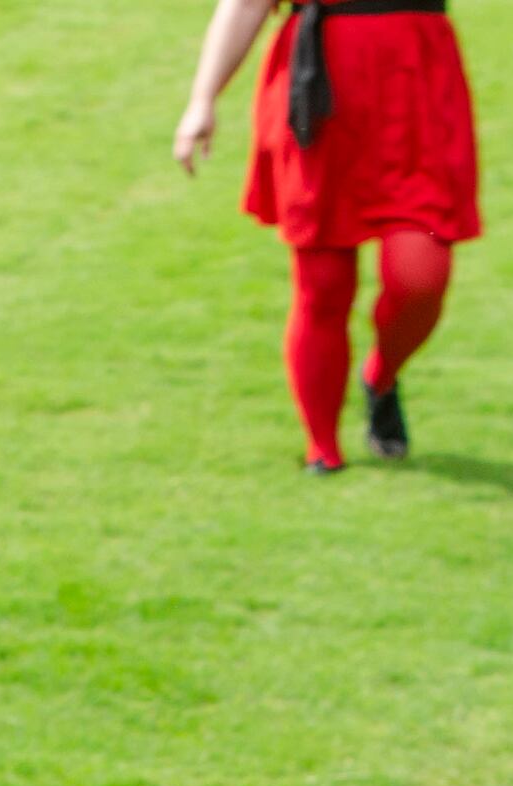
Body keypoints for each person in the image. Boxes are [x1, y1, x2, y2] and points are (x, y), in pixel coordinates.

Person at [175, 0, 480, 472]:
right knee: (323, 286)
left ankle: (381, 376)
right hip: (321, 92)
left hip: (414, 87)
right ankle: (323, 446)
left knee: (420, 278)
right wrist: (202, 99)